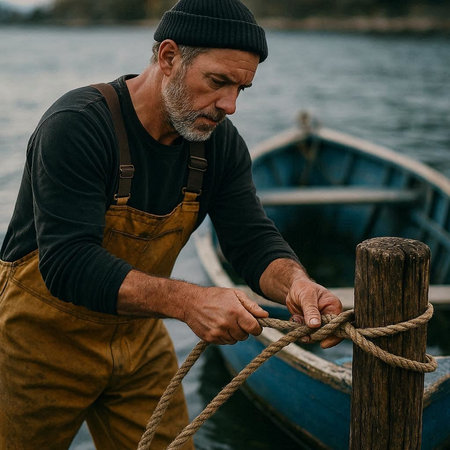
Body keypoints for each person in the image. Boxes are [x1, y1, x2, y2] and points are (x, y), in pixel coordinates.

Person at [0, 0, 342, 448]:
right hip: (36, 346)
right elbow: (67, 264)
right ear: (168, 57)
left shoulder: (217, 144)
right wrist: (189, 302)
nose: (230, 105)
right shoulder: (79, 126)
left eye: (242, 89)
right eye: (218, 82)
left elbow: (251, 240)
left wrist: (296, 283)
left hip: (139, 342)